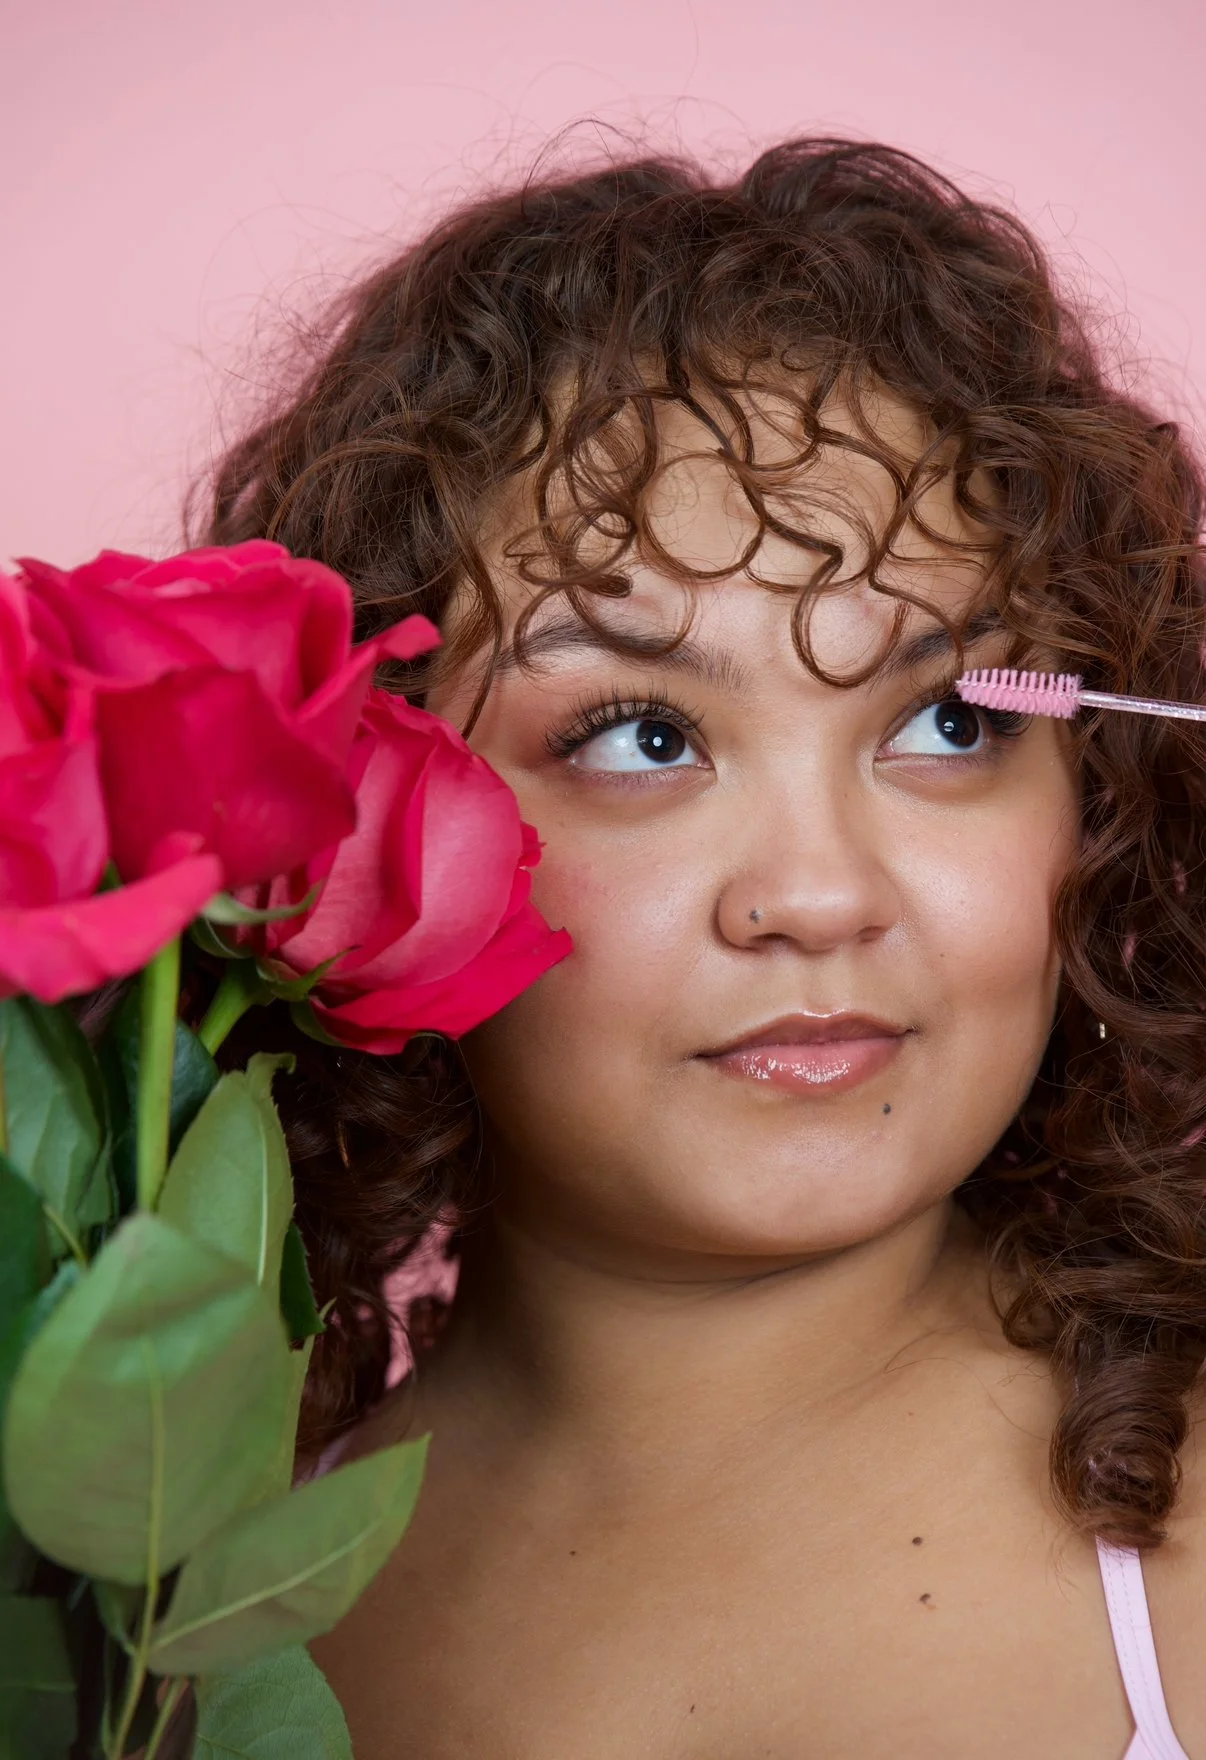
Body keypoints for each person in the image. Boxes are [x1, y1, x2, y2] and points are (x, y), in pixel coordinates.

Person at [198, 138, 1206, 1757]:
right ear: (366, 814)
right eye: (639, 737)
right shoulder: (174, 1606)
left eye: (944, 722)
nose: (815, 895)